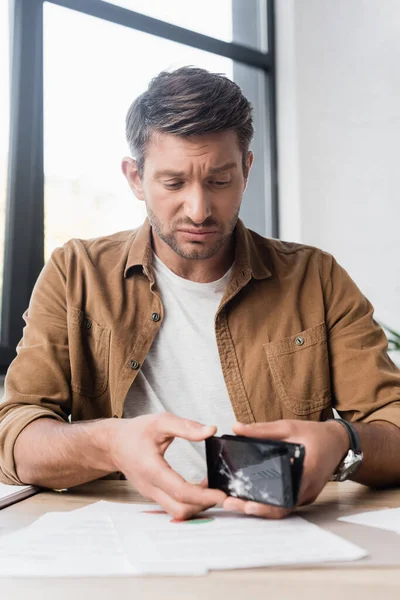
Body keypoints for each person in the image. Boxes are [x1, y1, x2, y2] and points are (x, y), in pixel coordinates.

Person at [1, 66, 400, 521]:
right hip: (120, 534)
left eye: (219, 181)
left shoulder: (317, 278)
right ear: (135, 178)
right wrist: (110, 443)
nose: (199, 209)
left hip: (281, 532)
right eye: (173, 183)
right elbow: (15, 436)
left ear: (246, 170)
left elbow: (395, 425)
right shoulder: (76, 274)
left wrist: (343, 442)